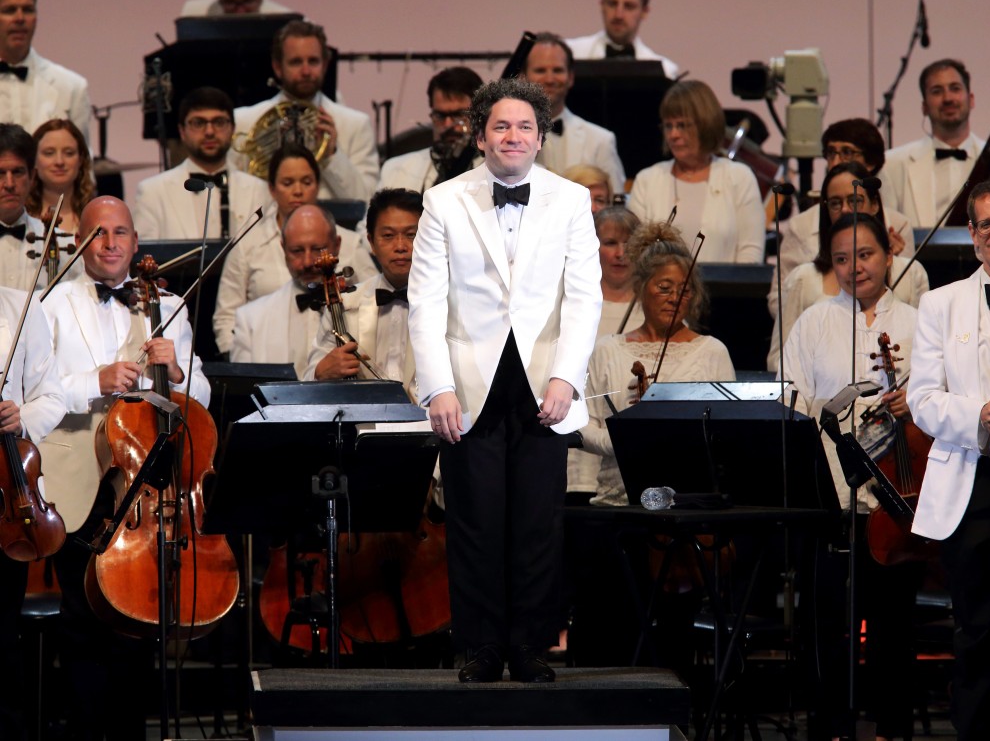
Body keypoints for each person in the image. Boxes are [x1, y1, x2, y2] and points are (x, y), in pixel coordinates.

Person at [408, 78, 602, 683]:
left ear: (541, 137)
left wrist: (567, 377)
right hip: (469, 383)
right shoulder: (444, 200)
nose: (512, 136)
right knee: (475, 521)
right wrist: (437, 385)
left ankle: (531, 646)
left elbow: (585, 298)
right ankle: (480, 646)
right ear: (480, 134)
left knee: (539, 522)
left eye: (524, 127)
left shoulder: (571, 200)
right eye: (500, 126)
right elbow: (425, 301)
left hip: (546, 380)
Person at [39, 196, 210, 740]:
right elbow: (33, 393)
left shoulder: (169, 304)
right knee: (82, 625)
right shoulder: (50, 305)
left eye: (119, 233)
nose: (110, 243)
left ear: (137, 243)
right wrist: (95, 381)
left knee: (138, 626)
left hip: (144, 487)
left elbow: (199, 395)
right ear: (79, 243)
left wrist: (177, 371)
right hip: (77, 485)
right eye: (97, 235)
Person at [782, 212, 922, 740]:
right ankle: (829, 727)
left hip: (898, 494)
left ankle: (893, 728)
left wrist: (915, 401)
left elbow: (939, 395)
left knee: (894, 626)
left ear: (888, 255)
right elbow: (790, 401)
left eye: (864, 255)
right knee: (826, 625)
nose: (854, 267)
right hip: (830, 496)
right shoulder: (814, 320)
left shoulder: (915, 319)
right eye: (841, 258)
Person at [907, 179, 990, 740]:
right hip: (973, 483)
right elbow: (922, 400)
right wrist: (979, 414)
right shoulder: (939, 302)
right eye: (986, 224)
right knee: (976, 634)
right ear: (972, 236)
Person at [581, 221, 734, 506]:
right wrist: (622, 440)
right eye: (664, 288)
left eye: (684, 291)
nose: (675, 299)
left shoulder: (713, 351)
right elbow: (584, 422)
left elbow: (726, 431)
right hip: (619, 500)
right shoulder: (606, 350)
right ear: (640, 288)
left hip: (689, 503)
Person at [213, 142, 377, 355]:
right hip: (271, 354)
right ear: (272, 188)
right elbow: (226, 318)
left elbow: (374, 300)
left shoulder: (350, 242)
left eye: (306, 182)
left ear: (317, 185)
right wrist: (243, 357)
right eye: (288, 183)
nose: (298, 191)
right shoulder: (246, 245)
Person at [768, 162, 929, 372]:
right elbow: (779, 359)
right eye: (835, 203)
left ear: (874, 204)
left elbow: (926, 355)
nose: (845, 209)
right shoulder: (803, 278)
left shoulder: (911, 272)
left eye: (854, 200)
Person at [0, 284, 66, 741]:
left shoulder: (21, 306)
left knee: (3, 646)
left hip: (6, 502)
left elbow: (53, 397)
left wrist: (20, 417)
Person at [769, 117, 912, 320]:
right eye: (831, 153)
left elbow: (908, 305)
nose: (836, 161)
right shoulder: (800, 226)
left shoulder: (898, 226)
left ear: (870, 163)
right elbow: (778, 301)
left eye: (847, 152)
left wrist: (891, 262)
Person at [232, 20, 379, 203]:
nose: (306, 71)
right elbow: (236, 195)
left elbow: (365, 200)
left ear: (325, 65)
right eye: (296, 62)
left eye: (313, 61)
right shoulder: (244, 120)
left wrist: (332, 154)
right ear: (277, 67)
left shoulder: (355, 124)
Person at [627, 80, 764, 264]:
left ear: (705, 125)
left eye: (682, 125)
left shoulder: (739, 177)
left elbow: (750, 254)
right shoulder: (647, 180)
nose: (673, 135)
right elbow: (636, 253)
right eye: (669, 126)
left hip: (725, 293)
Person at [306, 188, 421, 388]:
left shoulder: (450, 301)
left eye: (411, 235)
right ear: (372, 243)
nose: (400, 246)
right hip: (364, 421)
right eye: (388, 235)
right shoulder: (345, 303)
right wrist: (321, 372)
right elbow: (308, 377)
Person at [134, 86, 272, 240]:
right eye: (198, 123)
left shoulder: (260, 191)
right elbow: (145, 260)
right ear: (182, 131)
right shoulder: (152, 192)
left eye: (219, 122)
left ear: (233, 129)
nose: (209, 132)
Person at [232, 203, 340, 378]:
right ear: (283, 248)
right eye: (297, 251)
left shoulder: (366, 308)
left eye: (317, 249)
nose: (307, 262)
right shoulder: (250, 320)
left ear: (337, 245)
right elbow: (244, 396)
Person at [885, 59, 984, 229]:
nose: (947, 98)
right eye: (937, 91)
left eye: (955, 88)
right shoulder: (892, 164)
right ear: (924, 106)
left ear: (971, 99)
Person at [523, 33, 626, 193]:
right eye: (540, 70)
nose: (549, 79)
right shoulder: (502, 138)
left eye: (557, 70)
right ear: (523, 77)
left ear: (571, 77)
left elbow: (615, 206)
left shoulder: (601, 141)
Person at [0, 0, 90, 143]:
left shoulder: (72, 88)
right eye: (9, 10)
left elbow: (83, 162)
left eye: (28, 10)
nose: (20, 18)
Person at [377, 67, 483, 194]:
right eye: (440, 116)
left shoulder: (496, 171)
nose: (448, 124)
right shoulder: (396, 170)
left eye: (458, 115)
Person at [0, 123, 79, 291]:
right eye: (0, 173)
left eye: (17, 172)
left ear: (32, 177)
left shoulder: (66, 246)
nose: (9, 184)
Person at [564, 0, 679, 80]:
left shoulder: (666, 71)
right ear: (602, 5)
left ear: (644, 12)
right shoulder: (568, 56)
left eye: (629, 6)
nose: (619, 15)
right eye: (612, 4)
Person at [26, 118, 93, 233]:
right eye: (49, 153)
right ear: (34, 160)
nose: (59, 162)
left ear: (81, 159)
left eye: (69, 153)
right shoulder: (19, 217)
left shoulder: (97, 215)